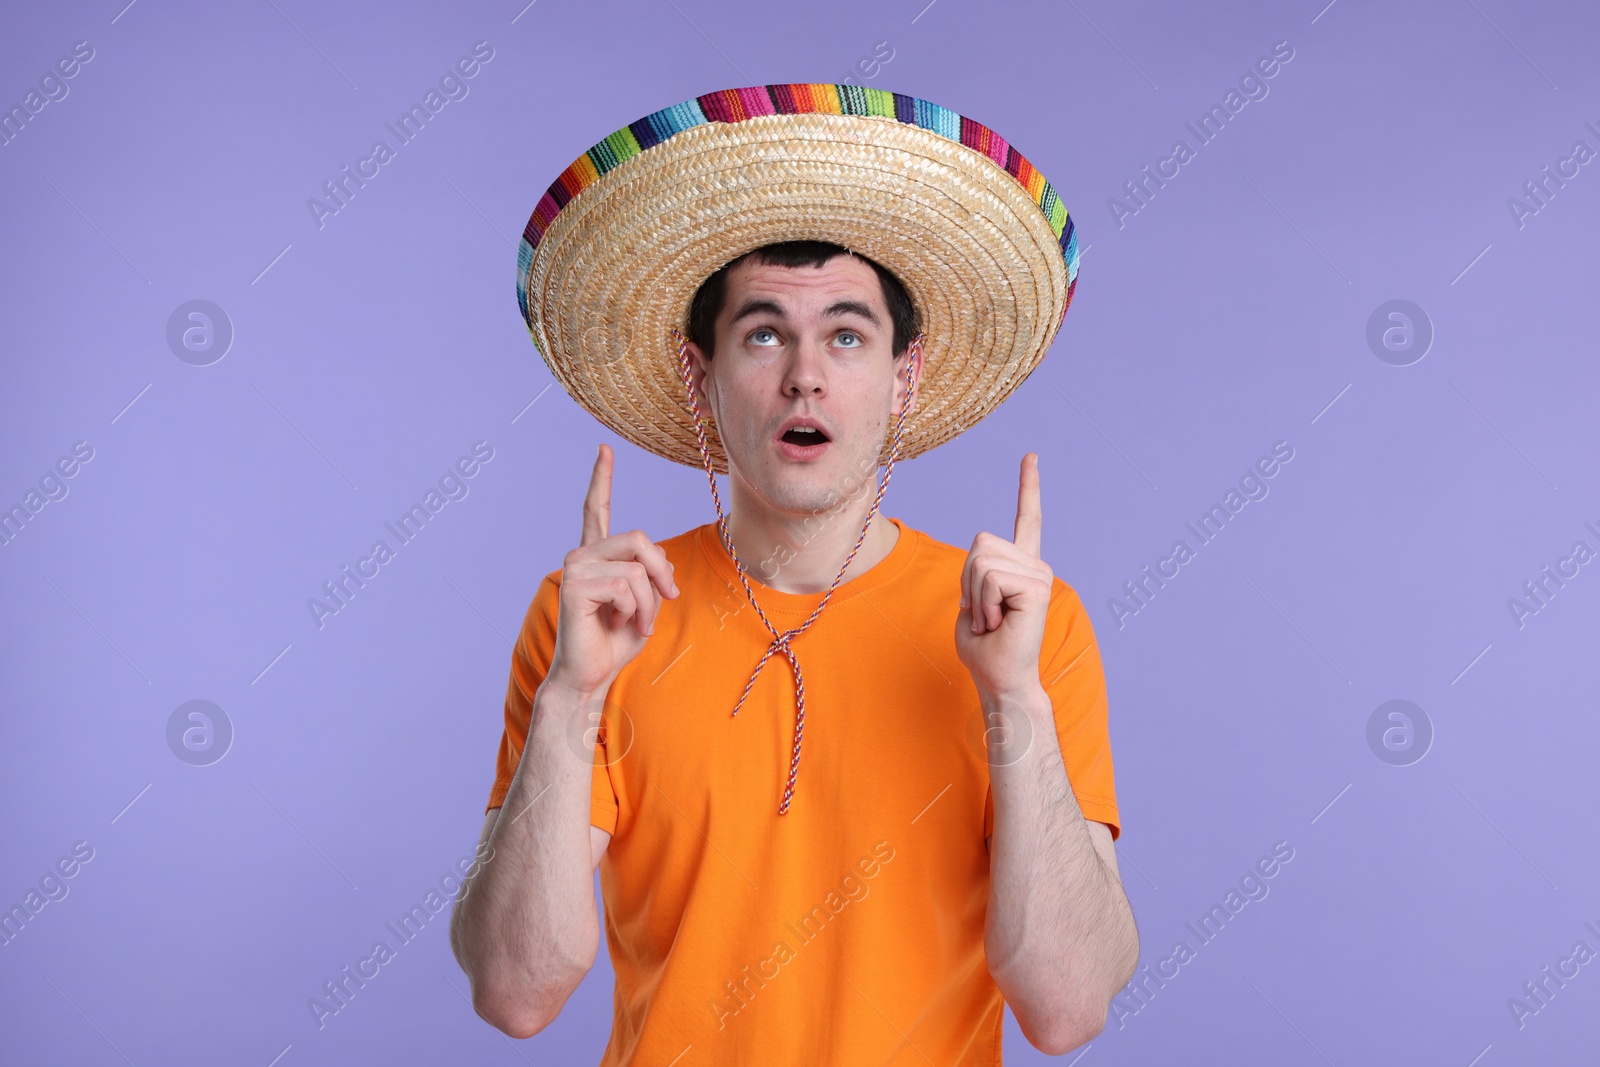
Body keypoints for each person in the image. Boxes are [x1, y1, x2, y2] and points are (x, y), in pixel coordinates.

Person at [450, 83, 1138, 1065]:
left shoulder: (1027, 626)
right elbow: (515, 992)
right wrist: (572, 700)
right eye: (764, 333)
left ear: (903, 380)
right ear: (702, 376)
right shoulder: (596, 617)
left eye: (847, 335)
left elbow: (1066, 1009)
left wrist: (1014, 702)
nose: (804, 375)